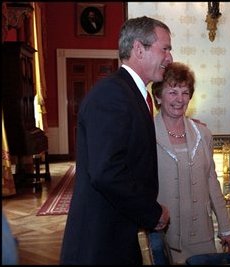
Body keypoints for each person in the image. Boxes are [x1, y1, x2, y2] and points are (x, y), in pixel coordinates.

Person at [60, 16, 173, 265]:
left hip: (117, 235)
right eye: (165, 48)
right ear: (138, 49)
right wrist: (151, 213)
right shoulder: (112, 95)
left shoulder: (130, 94)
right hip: (99, 244)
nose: (169, 58)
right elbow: (107, 172)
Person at [151, 62, 230, 264]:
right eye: (172, 92)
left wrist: (226, 227)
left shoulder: (203, 134)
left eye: (185, 92)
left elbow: (212, 183)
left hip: (201, 236)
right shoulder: (146, 135)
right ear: (158, 96)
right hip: (164, 235)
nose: (180, 100)